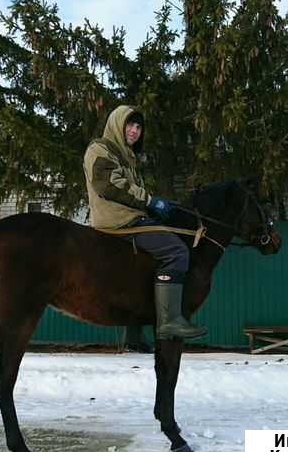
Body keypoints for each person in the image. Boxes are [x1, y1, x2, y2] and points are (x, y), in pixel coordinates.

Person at [83, 105, 207, 349]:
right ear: (118, 124)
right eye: (130, 124)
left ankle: (134, 330)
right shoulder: (101, 148)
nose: (135, 131)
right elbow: (108, 185)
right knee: (176, 252)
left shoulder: (127, 156)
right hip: (116, 220)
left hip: (130, 217)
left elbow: (131, 191)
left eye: (139, 127)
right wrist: (150, 201)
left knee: (149, 260)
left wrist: (155, 205)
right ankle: (169, 321)